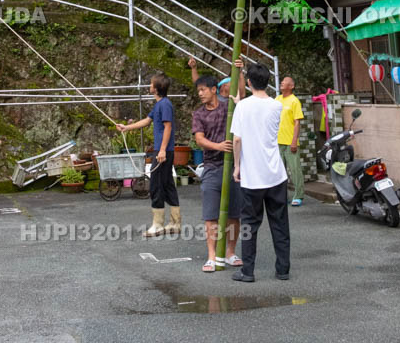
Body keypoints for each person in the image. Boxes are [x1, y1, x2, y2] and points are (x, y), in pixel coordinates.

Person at [231, 61, 290, 282]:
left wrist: (237, 167)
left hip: (252, 176)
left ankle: (248, 271)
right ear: (268, 82)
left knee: (249, 225)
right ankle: (283, 269)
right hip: (275, 174)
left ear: (248, 82)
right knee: (280, 223)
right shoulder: (277, 105)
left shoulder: (242, 107)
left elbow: (237, 139)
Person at [116, 71, 180, 237]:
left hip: (163, 151)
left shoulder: (165, 104)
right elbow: (147, 121)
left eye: (151, 84)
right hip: (164, 151)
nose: (149, 86)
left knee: (156, 185)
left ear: (157, 88)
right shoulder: (159, 104)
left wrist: (162, 150)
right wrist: (126, 128)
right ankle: (175, 223)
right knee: (167, 185)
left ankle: (158, 225)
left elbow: (168, 127)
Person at [192, 73, 243, 272]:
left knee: (234, 214)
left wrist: (240, 70)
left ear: (214, 89)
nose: (200, 94)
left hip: (233, 166)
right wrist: (219, 146)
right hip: (212, 167)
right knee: (211, 215)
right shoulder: (199, 114)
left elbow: (241, 94)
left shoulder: (228, 108)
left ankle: (230, 252)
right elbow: (199, 140)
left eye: (203, 89)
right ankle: (212, 256)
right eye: (198, 90)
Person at [278, 75, 305, 206]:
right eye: (281, 82)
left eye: (284, 82)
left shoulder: (294, 101)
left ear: (291, 86)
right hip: (277, 142)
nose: (281, 84)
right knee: (279, 171)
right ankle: (282, 196)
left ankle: (299, 195)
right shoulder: (277, 99)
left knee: (295, 169)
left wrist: (294, 140)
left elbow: (297, 122)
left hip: (290, 141)